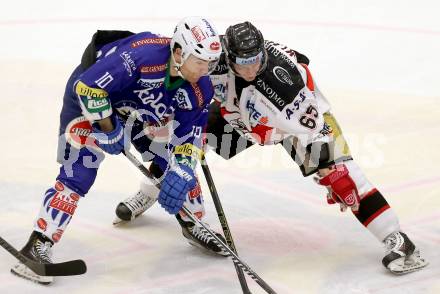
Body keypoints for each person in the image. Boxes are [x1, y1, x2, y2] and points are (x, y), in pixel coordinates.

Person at [116, 21, 428, 275]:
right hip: (239, 117)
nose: (250, 69)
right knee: (178, 145)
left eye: (255, 61)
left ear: (263, 53)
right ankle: (151, 189)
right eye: (243, 62)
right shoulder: (218, 55)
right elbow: (181, 59)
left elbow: (315, 128)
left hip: (299, 125)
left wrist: (330, 169)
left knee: (345, 179)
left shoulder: (283, 86)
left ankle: (398, 240)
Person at [11, 16, 228, 285]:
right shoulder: (142, 55)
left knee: (172, 164)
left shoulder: (200, 87)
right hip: (89, 103)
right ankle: (38, 243)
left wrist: (182, 169)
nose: (205, 69)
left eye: (210, 63)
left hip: (136, 111)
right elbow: (89, 87)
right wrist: (106, 125)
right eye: (200, 61)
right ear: (179, 52)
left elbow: (189, 137)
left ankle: (193, 223)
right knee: (80, 171)